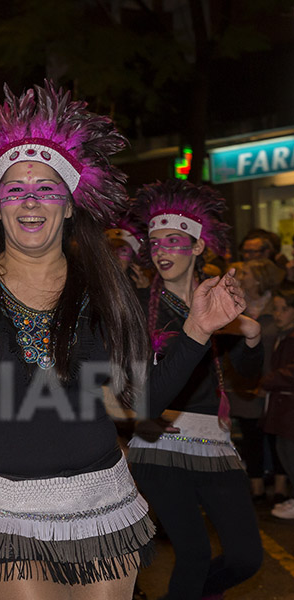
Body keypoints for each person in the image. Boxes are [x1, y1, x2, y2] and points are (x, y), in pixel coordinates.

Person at [0, 82, 247, 600]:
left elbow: (137, 401)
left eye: (47, 188)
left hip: (100, 499)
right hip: (7, 507)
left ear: (69, 207)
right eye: (15, 189)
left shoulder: (103, 289)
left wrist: (198, 330)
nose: (30, 200)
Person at [128, 179, 264, 599]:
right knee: (193, 554)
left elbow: (246, 374)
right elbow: (127, 383)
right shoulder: (135, 303)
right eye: (155, 243)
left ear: (199, 246)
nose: (162, 250)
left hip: (215, 442)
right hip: (160, 443)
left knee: (246, 558)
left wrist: (253, 335)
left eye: (174, 240)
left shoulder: (216, 297)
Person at [227, 258, 286, 503]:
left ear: (260, 277)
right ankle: (257, 486)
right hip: (245, 380)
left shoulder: (279, 305)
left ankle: (281, 487)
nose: (242, 276)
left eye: (247, 272)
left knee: (277, 434)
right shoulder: (236, 305)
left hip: (276, 381)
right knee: (251, 434)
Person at [263, 284, 294, 519]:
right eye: (275, 309)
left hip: (289, 408)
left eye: (283, 309)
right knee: (283, 451)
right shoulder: (283, 337)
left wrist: (266, 380)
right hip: (282, 407)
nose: (277, 314)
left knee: (289, 451)